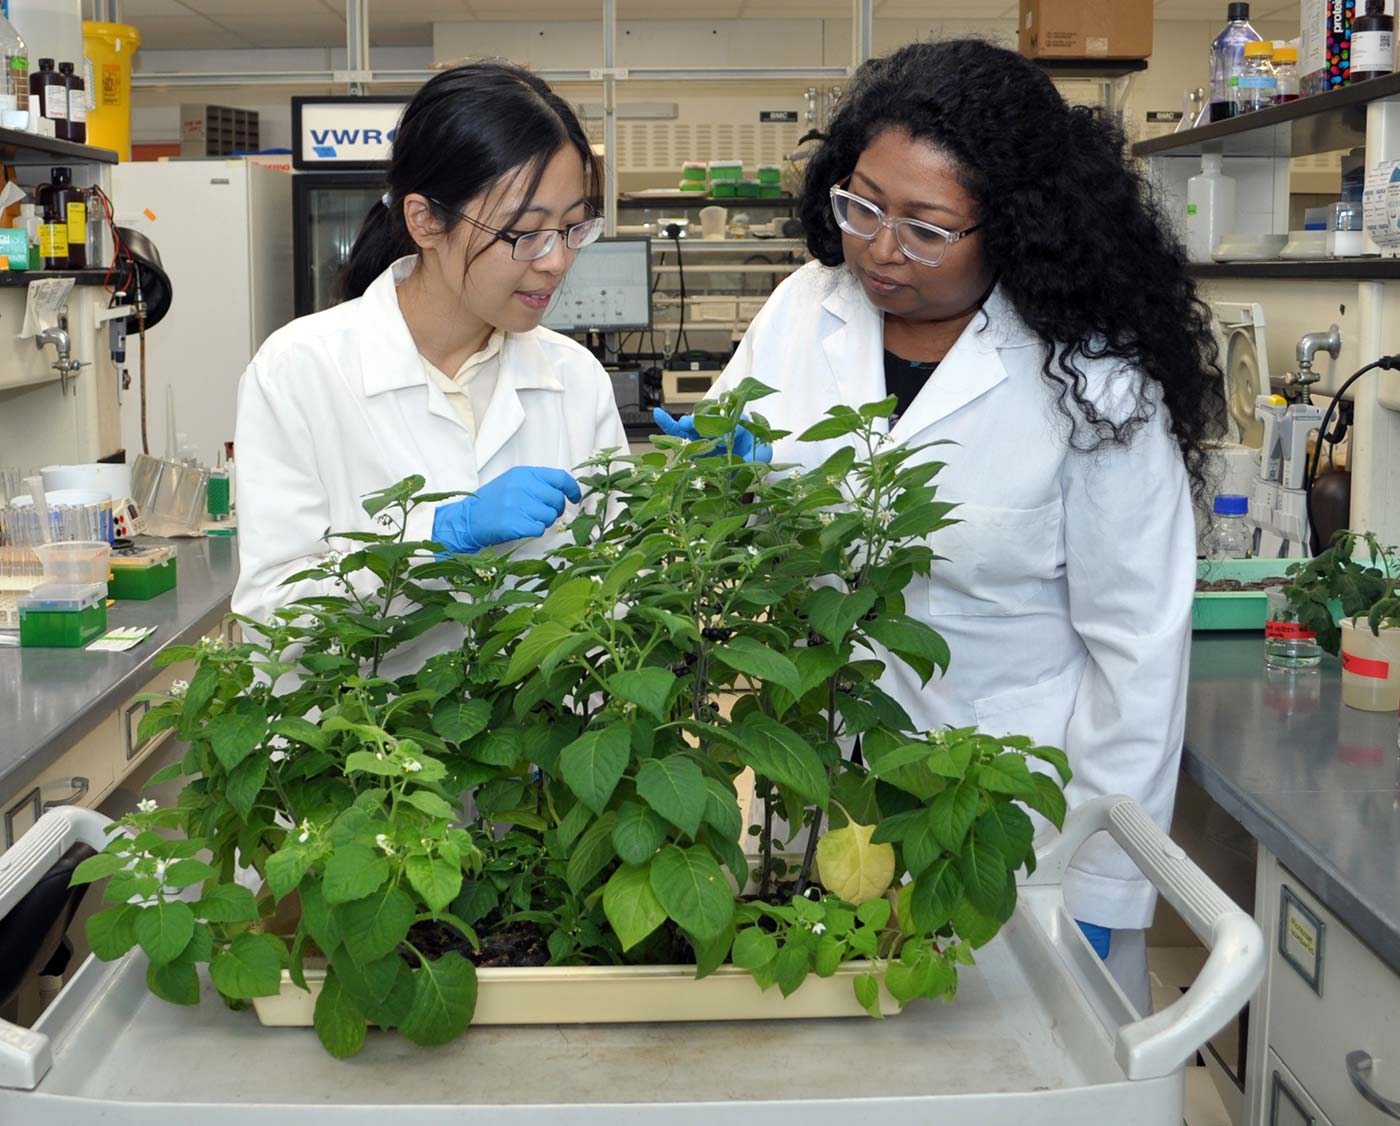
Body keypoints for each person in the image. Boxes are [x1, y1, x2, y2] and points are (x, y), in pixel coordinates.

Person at [672, 40, 1225, 1012]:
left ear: (1012, 225)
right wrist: (721, 486)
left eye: (926, 228)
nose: (881, 250)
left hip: (1004, 825)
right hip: (825, 801)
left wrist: (1098, 885)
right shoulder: (804, 310)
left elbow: (1134, 654)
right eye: (861, 205)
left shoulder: (1094, 382)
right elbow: (726, 504)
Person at [233, 62, 627, 667]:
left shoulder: (574, 378)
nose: (555, 262)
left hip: (535, 744)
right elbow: (272, 615)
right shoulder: (299, 370)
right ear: (425, 221)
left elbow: (614, 585)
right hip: (365, 749)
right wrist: (436, 539)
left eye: (573, 228)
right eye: (526, 234)